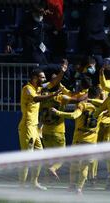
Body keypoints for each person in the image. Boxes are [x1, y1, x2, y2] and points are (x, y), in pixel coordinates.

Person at [18, 59, 68, 190]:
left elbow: (53, 83)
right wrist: (53, 95)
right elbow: (36, 98)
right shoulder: (27, 89)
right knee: (27, 156)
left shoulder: (38, 88)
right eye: (42, 77)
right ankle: (22, 186)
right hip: (27, 126)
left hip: (35, 128)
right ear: (35, 78)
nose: (44, 78)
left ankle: (34, 183)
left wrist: (62, 72)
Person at [51, 86, 102, 195]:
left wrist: (58, 112)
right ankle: (79, 189)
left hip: (79, 139)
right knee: (85, 166)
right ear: (98, 95)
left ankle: (71, 185)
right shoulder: (102, 108)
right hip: (91, 142)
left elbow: (74, 115)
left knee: (74, 164)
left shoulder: (82, 105)